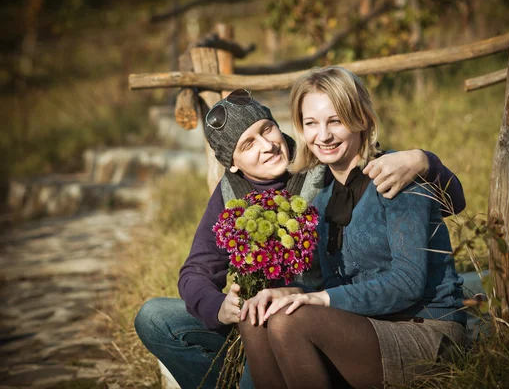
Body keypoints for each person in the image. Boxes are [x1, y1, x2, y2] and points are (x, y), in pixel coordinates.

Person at [134, 89, 466, 389]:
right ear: (232, 165)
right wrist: (219, 307)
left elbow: (430, 204)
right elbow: (195, 270)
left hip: (315, 317)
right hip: (268, 316)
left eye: (266, 130)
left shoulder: (320, 165)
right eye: (248, 144)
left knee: (273, 325)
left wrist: (424, 160)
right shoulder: (230, 193)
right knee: (155, 316)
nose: (266, 146)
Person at [237, 67, 468, 389]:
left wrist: (318, 300)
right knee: (257, 317)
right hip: (366, 327)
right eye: (311, 123)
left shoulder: (396, 177)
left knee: (290, 322)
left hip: (425, 332)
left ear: (361, 119)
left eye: (335, 120)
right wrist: (294, 293)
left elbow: (408, 282)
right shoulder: (322, 199)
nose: (323, 136)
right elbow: (339, 286)